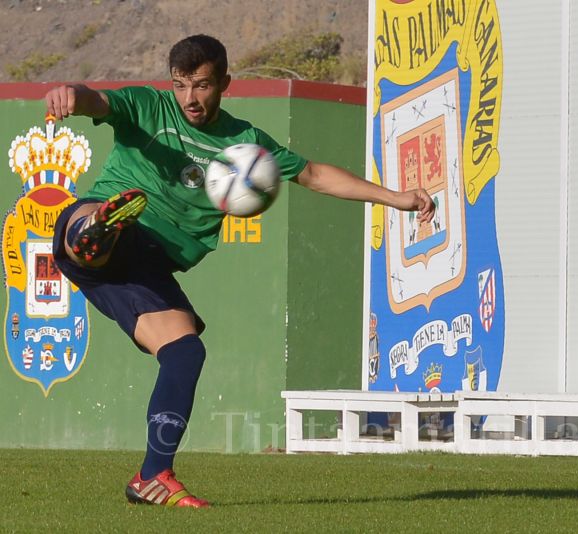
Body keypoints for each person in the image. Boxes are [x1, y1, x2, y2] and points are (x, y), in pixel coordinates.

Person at [45, 34, 434, 509]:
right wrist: (71, 94)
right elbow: (96, 101)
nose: (189, 98)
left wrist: (397, 198)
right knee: (102, 226)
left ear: (224, 82)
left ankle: (153, 476)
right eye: (181, 85)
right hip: (104, 228)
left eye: (202, 85)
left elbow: (313, 174)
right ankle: (96, 230)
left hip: (144, 268)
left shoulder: (244, 144)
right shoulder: (148, 108)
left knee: (185, 353)